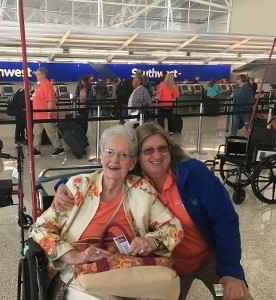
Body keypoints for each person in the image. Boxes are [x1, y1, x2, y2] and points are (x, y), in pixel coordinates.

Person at [53, 122, 254, 300]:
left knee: (236, 295)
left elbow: (225, 220)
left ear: (170, 149)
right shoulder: (133, 181)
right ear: (136, 158)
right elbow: (102, 173)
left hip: (208, 257)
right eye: (148, 150)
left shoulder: (193, 174)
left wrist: (231, 271)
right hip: (166, 265)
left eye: (162, 148)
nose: (156, 155)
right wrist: (63, 186)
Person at [31, 124, 184, 300]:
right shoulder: (78, 186)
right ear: (101, 156)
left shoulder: (141, 189)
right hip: (84, 275)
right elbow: (40, 228)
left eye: (123, 155)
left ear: (132, 162)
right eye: (109, 152)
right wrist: (73, 255)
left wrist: (151, 241)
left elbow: (174, 227)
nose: (114, 160)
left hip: (129, 272)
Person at [32, 67, 64, 156]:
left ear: (43, 75)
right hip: (38, 115)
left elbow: (50, 100)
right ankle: (36, 149)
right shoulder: (40, 85)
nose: (36, 76)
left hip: (45, 114)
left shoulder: (47, 85)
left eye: (38, 74)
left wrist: (49, 113)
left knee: (51, 132)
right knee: (36, 133)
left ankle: (59, 148)